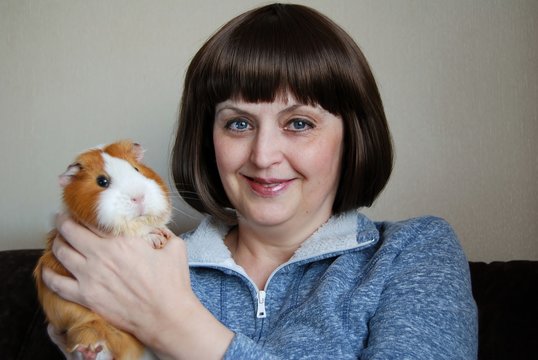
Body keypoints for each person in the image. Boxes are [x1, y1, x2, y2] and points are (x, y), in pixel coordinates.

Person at [43, 3, 478, 359]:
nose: (263, 155)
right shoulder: (132, 267)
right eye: (237, 124)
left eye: (300, 123)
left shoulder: (412, 253)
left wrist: (170, 323)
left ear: (353, 136)